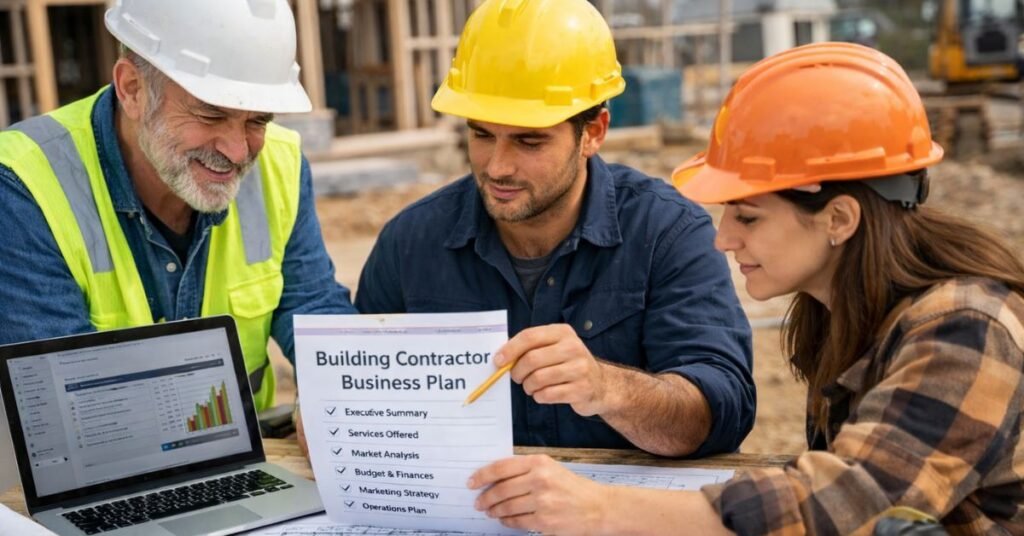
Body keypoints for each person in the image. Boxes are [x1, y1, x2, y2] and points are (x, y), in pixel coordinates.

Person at [467, 42, 1024, 534]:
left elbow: (842, 507)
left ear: (838, 219)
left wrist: (598, 509)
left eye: (749, 217)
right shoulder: (843, 315)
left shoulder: (967, 331)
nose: (723, 239)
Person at [348, 0, 754, 457]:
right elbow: (359, 399)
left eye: (529, 141)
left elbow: (721, 413)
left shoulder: (665, 233)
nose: (497, 167)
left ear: (593, 132)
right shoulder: (410, 243)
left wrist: (607, 388)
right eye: (481, 135)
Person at [0, 0, 357, 411]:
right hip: (113, 453)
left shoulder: (282, 163)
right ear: (132, 89)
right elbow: (60, 401)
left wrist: (340, 402)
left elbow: (313, 307)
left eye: (257, 120)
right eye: (210, 115)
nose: (237, 151)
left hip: (254, 448)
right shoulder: (25, 184)